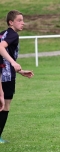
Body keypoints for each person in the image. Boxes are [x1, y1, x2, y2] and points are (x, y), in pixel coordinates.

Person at [0, 10, 34, 143]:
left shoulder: (3, 34)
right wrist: (14, 63)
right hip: (6, 76)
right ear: (11, 22)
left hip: (4, 72)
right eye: (19, 20)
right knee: (5, 105)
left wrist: (20, 71)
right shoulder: (13, 35)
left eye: (23, 20)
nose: (23, 23)